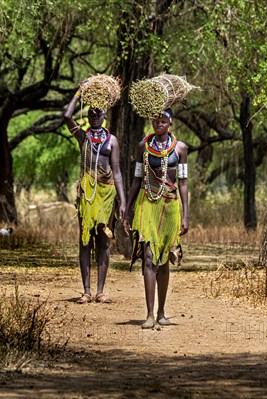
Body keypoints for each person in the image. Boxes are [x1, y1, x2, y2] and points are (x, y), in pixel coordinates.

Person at [123, 108, 189, 329]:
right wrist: (126, 208)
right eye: (156, 120)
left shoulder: (180, 149)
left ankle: (161, 312)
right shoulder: (143, 147)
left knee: (163, 259)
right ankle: (149, 315)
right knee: (149, 257)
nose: (159, 123)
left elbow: (183, 183)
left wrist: (186, 216)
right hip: (147, 204)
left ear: (170, 122)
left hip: (171, 206)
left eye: (163, 120)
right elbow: (136, 179)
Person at [64, 88, 126, 304]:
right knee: (84, 240)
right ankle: (86, 291)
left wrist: (123, 203)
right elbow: (66, 116)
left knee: (103, 242)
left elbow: (117, 172)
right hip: (87, 193)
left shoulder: (112, 141)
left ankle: (100, 291)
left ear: (105, 116)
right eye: (91, 114)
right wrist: (79, 94)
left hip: (106, 194)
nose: (94, 117)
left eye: (98, 114)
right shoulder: (83, 136)